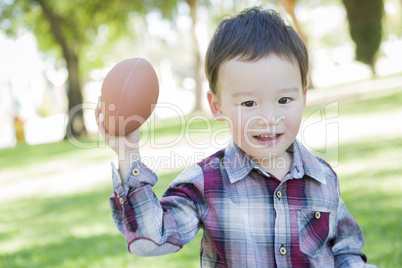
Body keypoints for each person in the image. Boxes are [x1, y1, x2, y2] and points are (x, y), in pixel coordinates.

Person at [96, 6, 376, 267]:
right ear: (217, 106)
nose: (268, 118)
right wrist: (127, 153)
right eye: (249, 104)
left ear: (303, 98)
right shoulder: (205, 183)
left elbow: (344, 250)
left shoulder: (322, 178)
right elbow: (151, 239)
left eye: (284, 99)